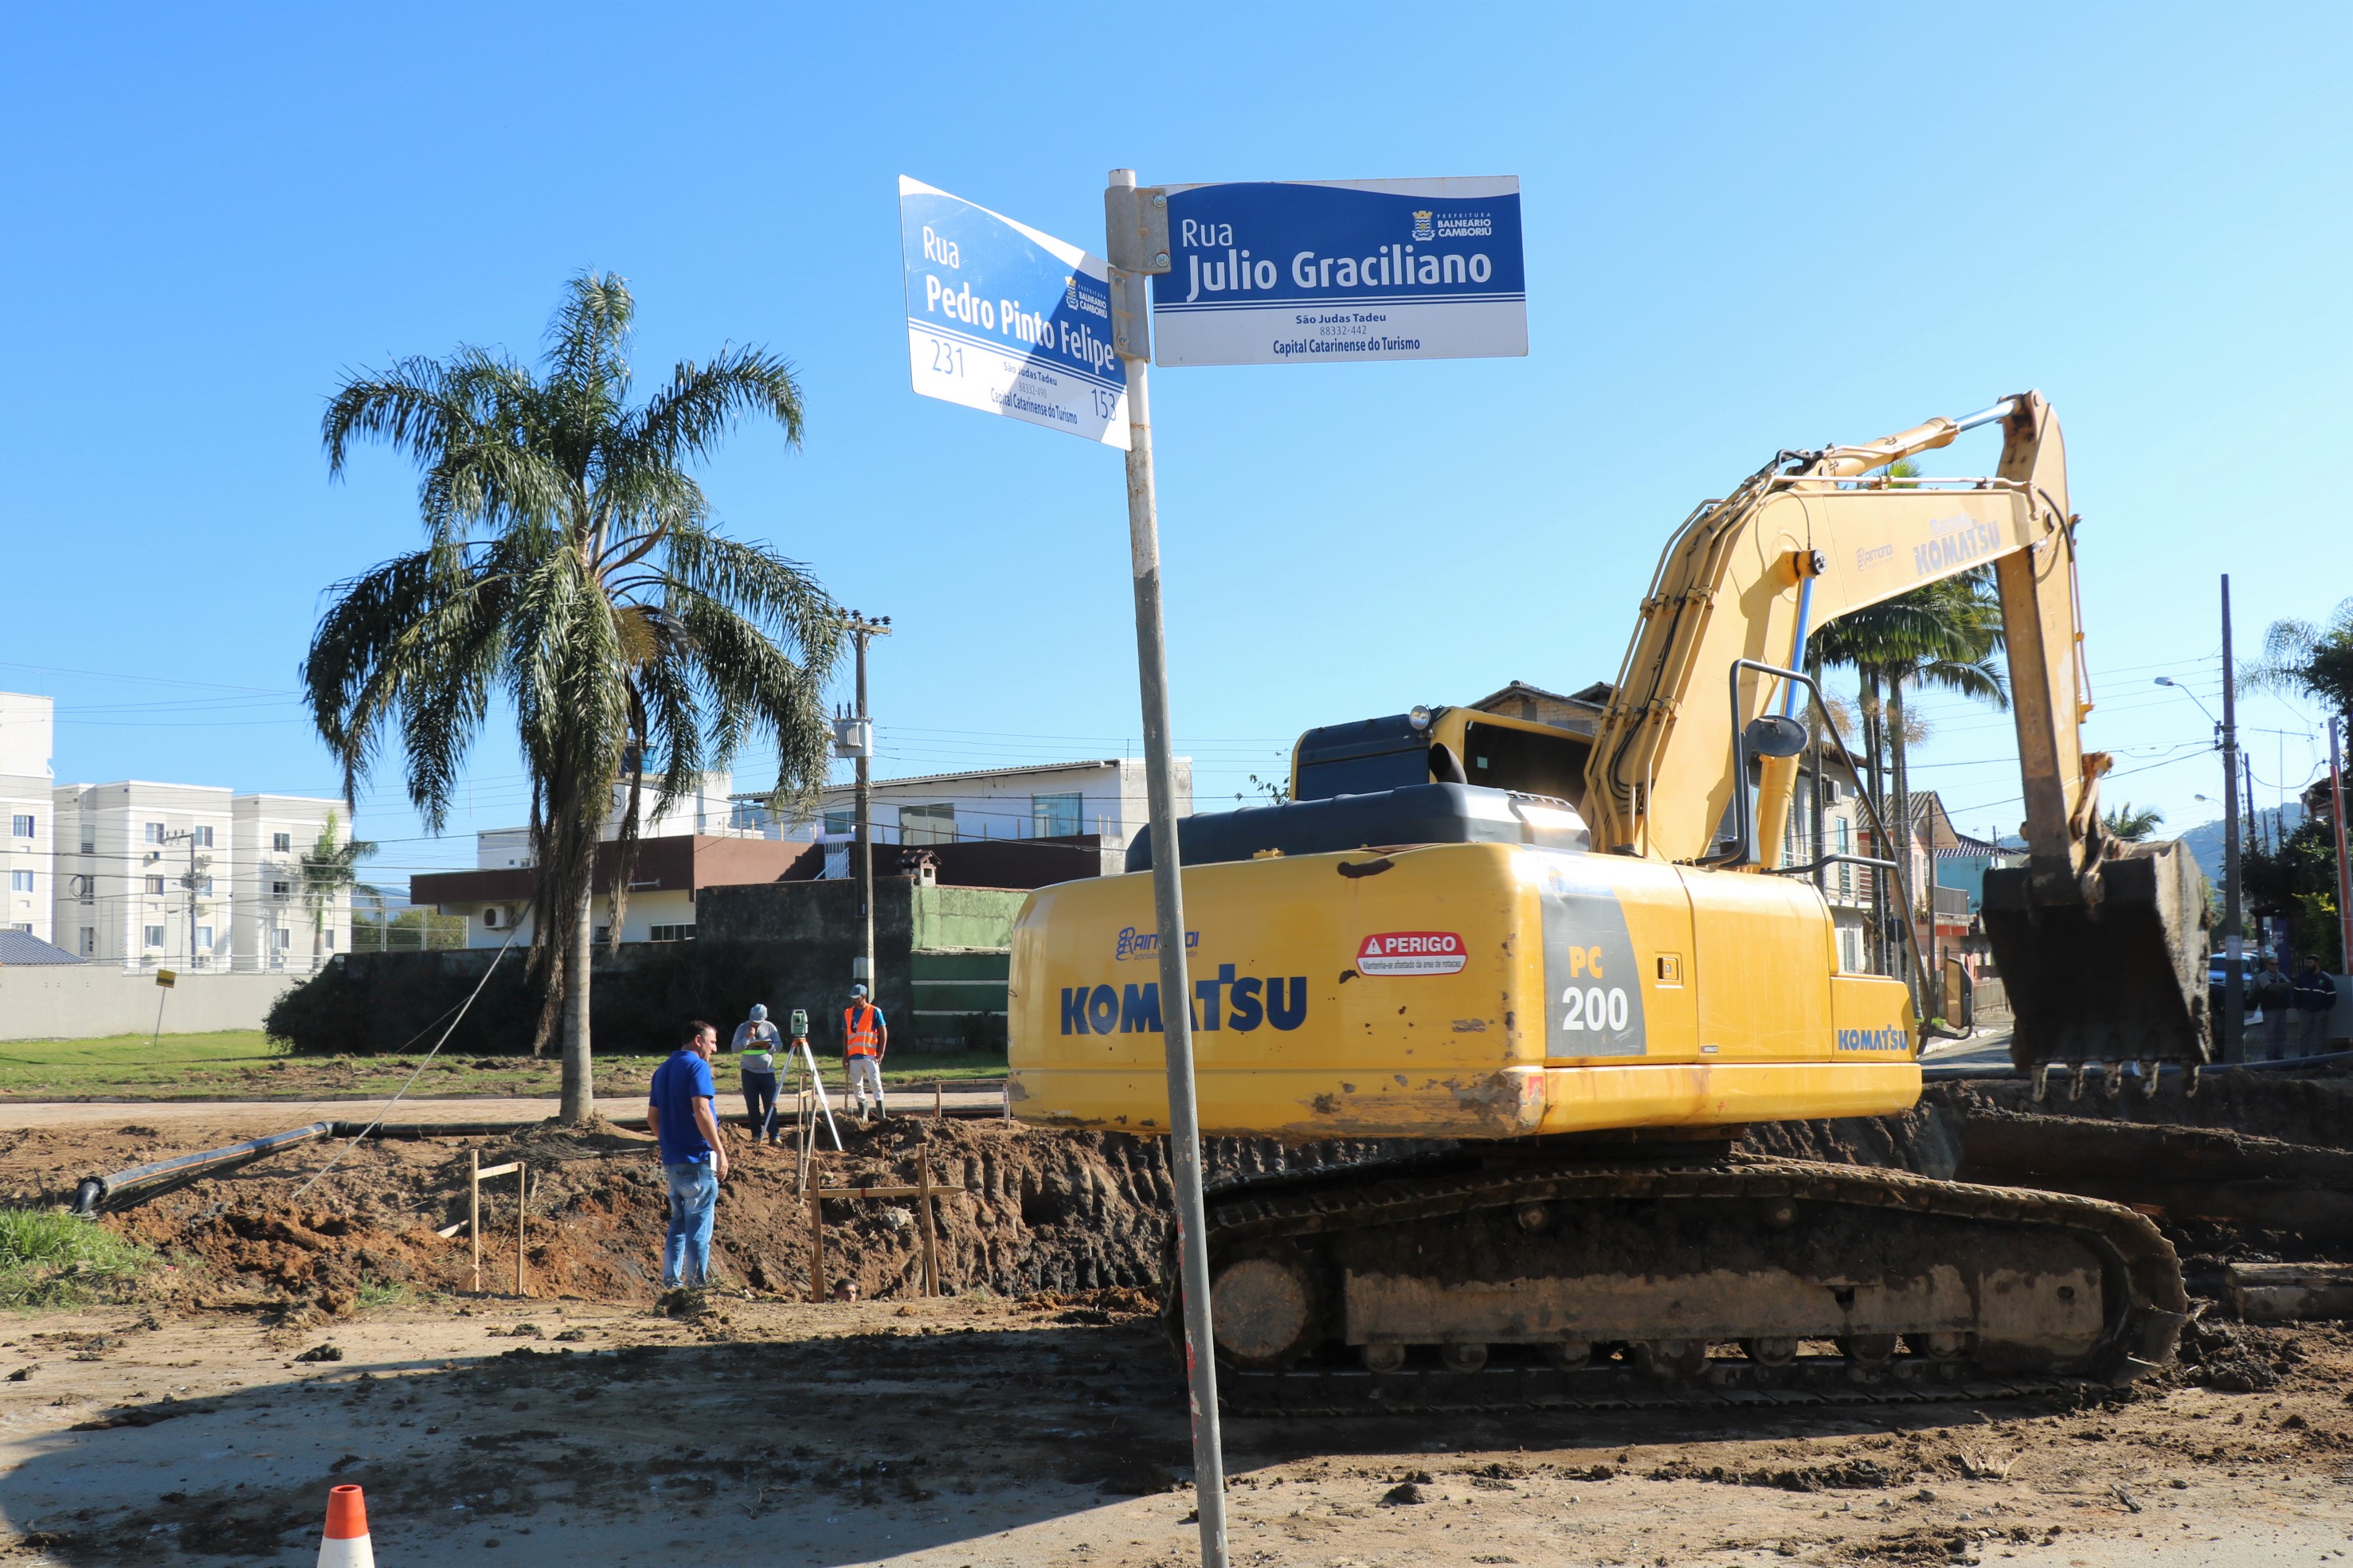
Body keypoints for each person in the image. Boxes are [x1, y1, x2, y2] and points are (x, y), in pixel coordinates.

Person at [646, 1019, 730, 1290]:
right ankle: (697, 1286)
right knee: (699, 1227)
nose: (714, 1049)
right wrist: (719, 1150)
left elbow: (652, 1118)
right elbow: (702, 1110)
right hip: (697, 1160)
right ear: (698, 1040)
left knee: (678, 1224)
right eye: (712, 1042)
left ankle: (671, 1283)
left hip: (673, 1160)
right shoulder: (697, 1066)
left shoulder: (662, 1071)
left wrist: (669, 1142)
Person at [732, 1003, 784, 1144]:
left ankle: (774, 1135)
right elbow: (734, 1048)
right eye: (753, 1021)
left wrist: (768, 1046)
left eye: (758, 1022)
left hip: (767, 1073)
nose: (755, 1024)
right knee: (752, 1105)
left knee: (770, 1104)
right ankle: (756, 1135)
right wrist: (747, 1038)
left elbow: (779, 1046)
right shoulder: (742, 1028)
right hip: (749, 1073)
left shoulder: (770, 1027)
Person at [842, 982, 888, 1121]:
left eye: (856, 997)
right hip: (854, 1056)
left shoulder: (874, 1011)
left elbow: (883, 1031)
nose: (853, 1000)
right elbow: (845, 1036)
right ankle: (863, 1113)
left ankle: (882, 1114)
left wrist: (881, 1052)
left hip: (870, 1055)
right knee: (857, 1086)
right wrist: (845, 1056)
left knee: (875, 1083)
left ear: (864, 996)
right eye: (853, 997)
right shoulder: (848, 1013)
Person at [2292, 955, 2340, 1058]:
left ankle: (2319, 1055)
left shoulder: (2326, 978)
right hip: (2305, 1010)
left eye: (2310, 963)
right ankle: (2303, 1055)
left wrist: (2325, 1009)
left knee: (2320, 1033)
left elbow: (2332, 996)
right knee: (2304, 1033)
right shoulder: (2302, 977)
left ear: (2317, 963)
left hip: (2320, 1011)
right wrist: (2298, 1007)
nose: (2308, 965)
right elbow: (2296, 993)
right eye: (2307, 963)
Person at [2253, 956, 2293, 1062]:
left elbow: (2290, 985)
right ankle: (2270, 1058)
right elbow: (2269, 988)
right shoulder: (2262, 976)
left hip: (2282, 1008)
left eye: (2276, 964)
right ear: (2267, 965)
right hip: (2269, 1009)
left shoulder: (2281, 975)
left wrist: (2278, 987)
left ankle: (2279, 1056)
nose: (2275, 966)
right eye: (2272, 964)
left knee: (2282, 1033)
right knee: (2270, 1035)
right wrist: (2282, 987)